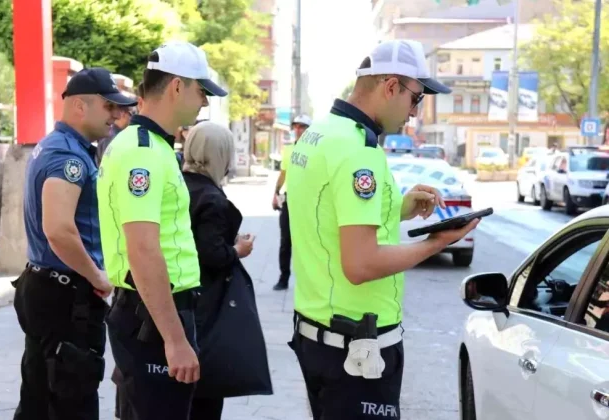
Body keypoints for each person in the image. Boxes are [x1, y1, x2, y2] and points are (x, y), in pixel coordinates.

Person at [284, 39, 480, 419]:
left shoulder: (319, 133)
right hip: (355, 348)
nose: (415, 112)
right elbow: (361, 265)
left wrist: (398, 208)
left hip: (320, 332)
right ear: (391, 86)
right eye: (416, 99)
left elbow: (326, 216)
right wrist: (437, 243)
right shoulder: (359, 152)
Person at [97, 41, 228, 420]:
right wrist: (174, 339)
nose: (204, 102)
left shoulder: (148, 145)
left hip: (148, 313)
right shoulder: (143, 152)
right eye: (201, 91)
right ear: (176, 86)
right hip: (151, 320)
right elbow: (143, 249)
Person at [13, 67, 137, 420]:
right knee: (73, 400)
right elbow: (59, 230)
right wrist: (97, 276)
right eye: (109, 106)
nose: (115, 115)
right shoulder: (68, 157)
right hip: (66, 297)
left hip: (46, 287)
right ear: (80, 107)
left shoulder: (56, 145)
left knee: (39, 396)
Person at [181, 121, 255, 419]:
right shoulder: (211, 198)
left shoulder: (178, 183)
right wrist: (238, 250)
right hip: (205, 304)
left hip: (179, 299)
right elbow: (210, 253)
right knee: (205, 398)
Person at [272, 114, 312, 291]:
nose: (298, 130)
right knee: (285, 242)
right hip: (289, 201)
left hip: (308, 203)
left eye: (302, 127)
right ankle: (283, 278)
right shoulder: (288, 150)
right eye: (296, 126)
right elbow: (283, 173)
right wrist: (275, 193)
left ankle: (308, 281)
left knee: (307, 242)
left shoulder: (315, 150)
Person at [97, 90, 138, 160]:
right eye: (132, 114)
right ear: (123, 113)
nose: (133, 118)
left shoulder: (116, 133)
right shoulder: (111, 136)